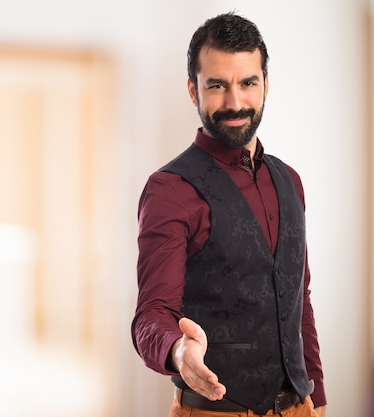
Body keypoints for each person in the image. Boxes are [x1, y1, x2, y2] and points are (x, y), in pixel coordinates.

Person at [132, 12, 327, 417]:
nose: (235, 102)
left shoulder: (290, 181)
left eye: (248, 83)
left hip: (299, 409)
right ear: (193, 90)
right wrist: (177, 349)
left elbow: (298, 300)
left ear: (266, 85)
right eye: (217, 85)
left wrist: (318, 396)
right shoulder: (169, 189)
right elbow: (151, 315)